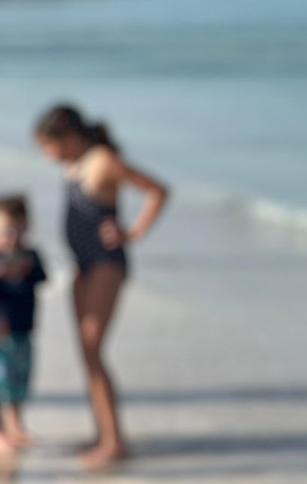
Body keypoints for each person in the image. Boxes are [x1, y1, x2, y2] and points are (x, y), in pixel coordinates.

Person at [34, 105, 169, 470]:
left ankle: (114, 441)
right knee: (86, 352)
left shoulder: (103, 160)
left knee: (94, 349)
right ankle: (103, 433)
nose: (47, 155)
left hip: (106, 264)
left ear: (68, 137)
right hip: (82, 265)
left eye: (48, 145)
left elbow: (158, 190)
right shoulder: (74, 164)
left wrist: (133, 232)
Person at [0, 196, 47, 454]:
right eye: (6, 230)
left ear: (27, 226)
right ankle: (2, 433)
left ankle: (16, 426)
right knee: (1, 382)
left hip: (24, 331)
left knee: (19, 381)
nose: (11, 236)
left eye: (17, 229)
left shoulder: (31, 255)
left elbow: (44, 278)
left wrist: (26, 269)